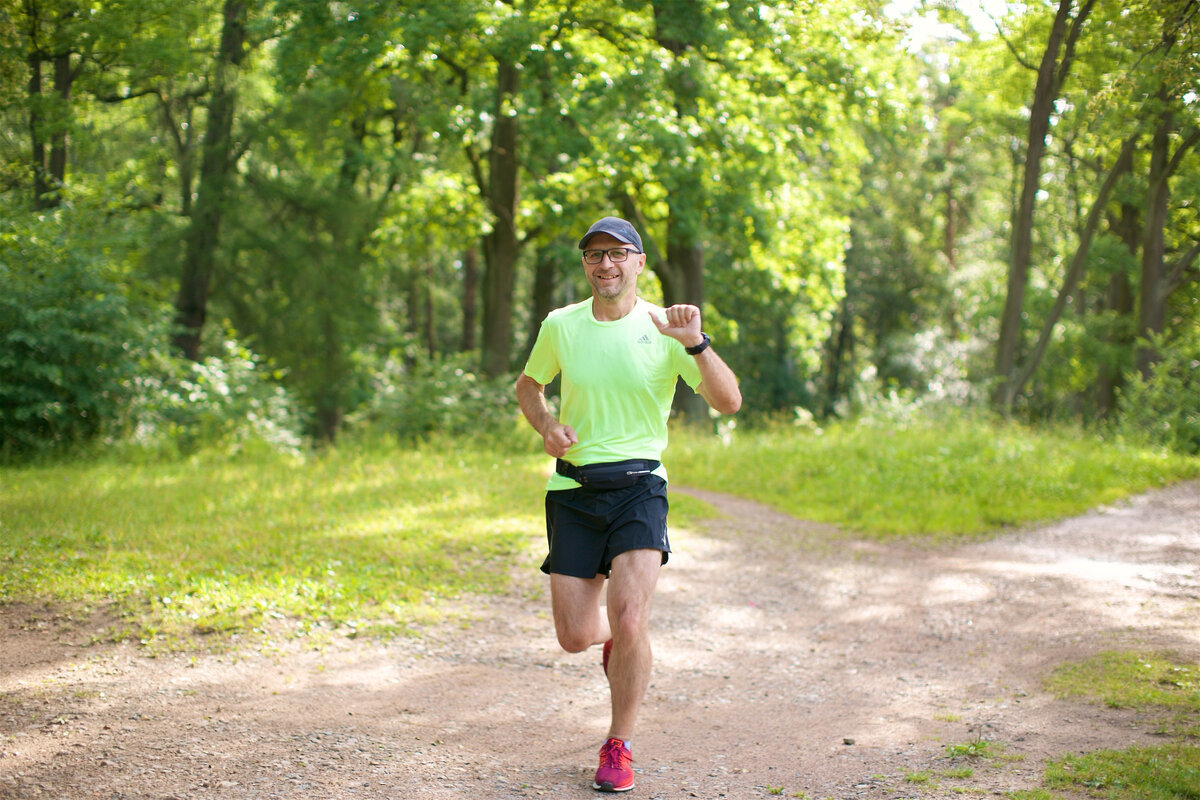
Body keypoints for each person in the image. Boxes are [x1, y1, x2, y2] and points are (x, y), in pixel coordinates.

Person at [515, 216, 741, 793]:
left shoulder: (668, 327)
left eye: (619, 254)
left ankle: (619, 743)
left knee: (632, 616)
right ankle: (617, 644)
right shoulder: (561, 325)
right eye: (595, 255)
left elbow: (728, 401)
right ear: (586, 265)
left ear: (640, 262)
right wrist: (545, 425)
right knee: (572, 635)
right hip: (572, 490)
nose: (606, 264)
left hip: (641, 487)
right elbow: (528, 386)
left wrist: (696, 342)